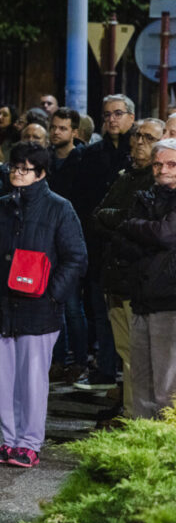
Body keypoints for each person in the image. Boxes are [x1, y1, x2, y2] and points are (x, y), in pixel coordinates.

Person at [0, 142, 87, 468]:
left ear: (41, 173)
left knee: (33, 379)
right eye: (14, 167)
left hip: (39, 310)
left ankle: (30, 443)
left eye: (25, 168)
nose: (17, 173)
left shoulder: (59, 208)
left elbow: (76, 258)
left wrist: (52, 294)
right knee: (3, 381)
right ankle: (10, 442)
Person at [91, 119, 165, 424]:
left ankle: (137, 418)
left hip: (137, 279)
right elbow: (98, 216)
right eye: (137, 135)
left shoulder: (157, 181)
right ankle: (129, 411)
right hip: (115, 276)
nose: (139, 142)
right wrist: (120, 222)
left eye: (148, 137)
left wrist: (118, 222)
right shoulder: (126, 176)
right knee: (126, 353)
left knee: (138, 357)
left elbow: (137, 223)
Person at [72, 94, 136, 391]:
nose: (112, 119)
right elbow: (82, 200)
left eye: (118, 113)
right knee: (100, 309)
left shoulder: (137, 153)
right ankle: (105, 367)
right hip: (97, 242)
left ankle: (127, 377)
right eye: (107, 114)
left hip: (130, 245)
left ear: (131, 118)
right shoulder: (91, 153)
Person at [113, 139, 176, 419]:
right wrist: (148, 234)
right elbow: (122, 242)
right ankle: (143, 449)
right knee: (141, 386)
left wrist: (135, 229)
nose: (163, 170)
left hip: (170, 302)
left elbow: (167, 234)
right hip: (140, 298)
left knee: (167, 389)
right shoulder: (144, 196)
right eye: (158, 164)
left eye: (172, 164)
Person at [48, 107, 89, 383]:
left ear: (74, 131)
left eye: (62, 128)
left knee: (73, 306)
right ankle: (58, 359)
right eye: (53, 127)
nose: (56, 132)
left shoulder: (83, 159)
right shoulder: (47, 160)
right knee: (53, 304)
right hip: (47, 240)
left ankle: (80, 360)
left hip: (71, 238)